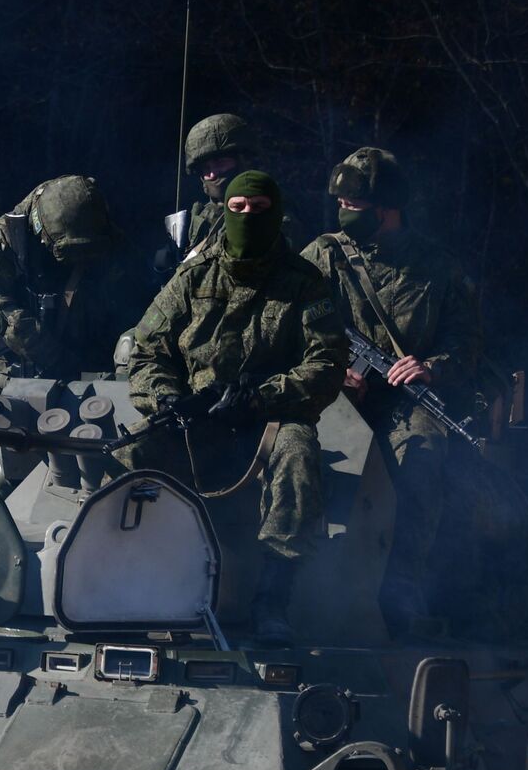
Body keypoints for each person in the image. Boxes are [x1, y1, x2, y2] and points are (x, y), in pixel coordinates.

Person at [124, 170, 346, 646]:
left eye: (259, 209)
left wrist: (263, 396)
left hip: (269, 420)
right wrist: (167, 399)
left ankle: (273, 598)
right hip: (197, 417)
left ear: (277, 213)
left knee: (298, 454)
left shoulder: (305, 283)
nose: (248, 217)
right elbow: (145, 352)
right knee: (132, 454)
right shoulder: (192, 277)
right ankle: (138, 579)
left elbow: (326, 364)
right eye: (238, 208)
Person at [302, 147, 483, 632]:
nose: (345, 213)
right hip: (336, 391)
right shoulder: (325, 255)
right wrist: (331, 368)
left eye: (355, 206)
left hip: (401, 402)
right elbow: (288, 321)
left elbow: (467, 343)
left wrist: (430, 368)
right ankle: (299, 583)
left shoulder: (437, 267)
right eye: (340, 203)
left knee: (423, 455)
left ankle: (401, 589)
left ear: (388, 208)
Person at [0, 174, 150, 398]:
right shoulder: (7, 234)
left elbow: (136, 290)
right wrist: (30, 335)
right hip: (13, 371)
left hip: (83, 367)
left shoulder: (100, 230)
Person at [167, 114, 309, 266]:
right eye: (206, 168)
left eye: (220, 163)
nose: (213, 174)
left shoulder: (269, 210)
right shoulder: (202, 215)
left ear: (244, 161)